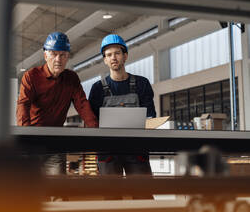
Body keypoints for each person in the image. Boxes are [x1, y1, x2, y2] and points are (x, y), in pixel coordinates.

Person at [17, 31, 98, 175]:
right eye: (54, 54)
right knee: (28, 189)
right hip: (33, 142)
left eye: (63, 55)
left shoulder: (71, 79)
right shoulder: (31, 76)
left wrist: (96, 131)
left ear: (67, 57)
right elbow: (23, 105)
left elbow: (82, 104)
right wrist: (26, 137)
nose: (58, 59)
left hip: (55, 144)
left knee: (57, 189)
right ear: (45, 55)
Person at [88, 34, 156, 179]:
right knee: (111, 196)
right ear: (105, 60)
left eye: (117, 53)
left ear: (125, 56)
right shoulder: (97, 89)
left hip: (136, 149)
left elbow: (150, 118)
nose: (113, 57)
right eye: (109, 54)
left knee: (142, 193)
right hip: (107, 151)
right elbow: (91, 123)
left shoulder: (141, 84)